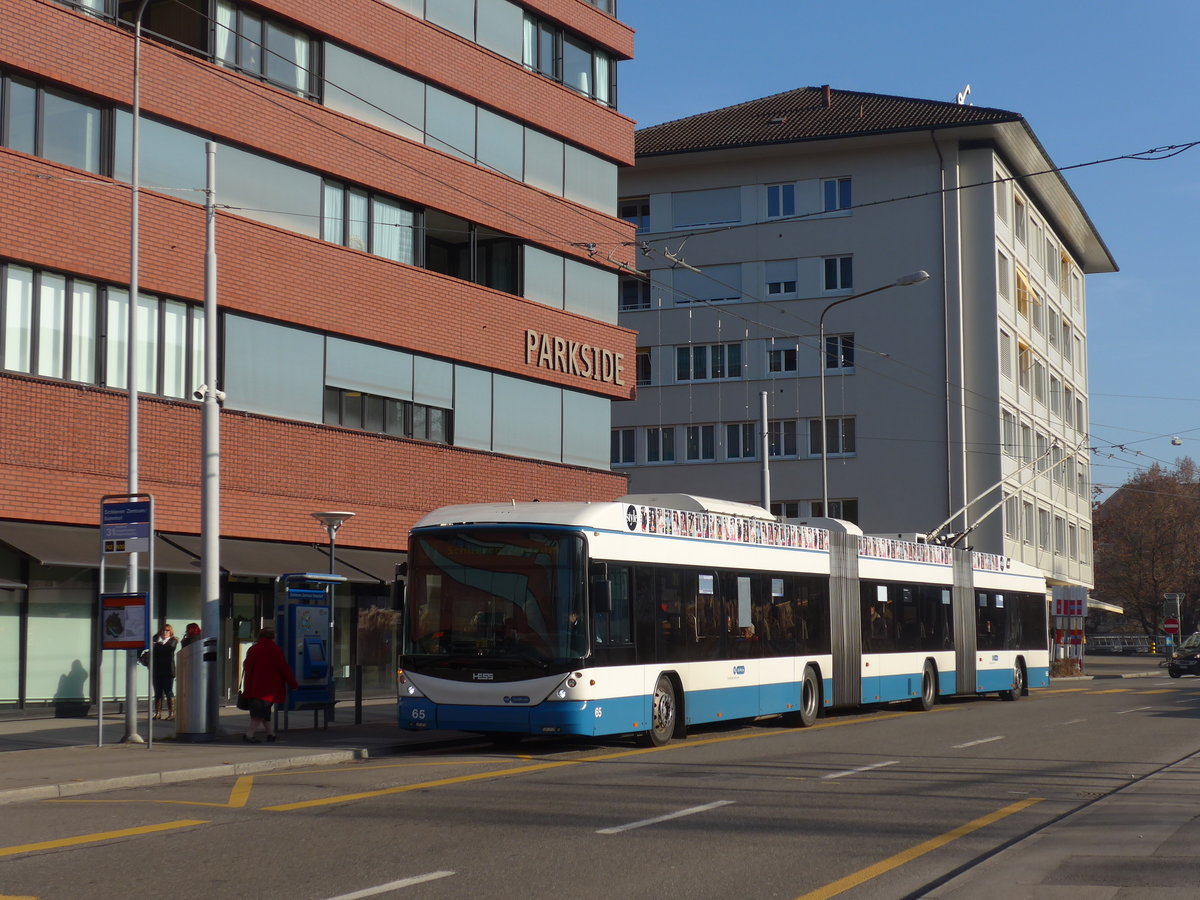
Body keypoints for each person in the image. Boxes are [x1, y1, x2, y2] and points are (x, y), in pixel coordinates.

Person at [241, 625, 298, 744]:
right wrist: (293, 683)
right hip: (268, 688)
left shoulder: (253, 649)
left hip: (253, 686)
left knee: (263, 712)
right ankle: (249, 735)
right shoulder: (274, 649)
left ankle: (271, 734)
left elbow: (246, 665)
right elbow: (284, 668)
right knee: (260, 713)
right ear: (273, 637)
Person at [151, 624, 178, 720]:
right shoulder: (155, 638)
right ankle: (157, 713)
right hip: (157, 669)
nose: (165, 633)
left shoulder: (173, 640)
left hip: (168, 670)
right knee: (157, 692)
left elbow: (168, 649)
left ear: (170, 632)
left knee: (168, 691)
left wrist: (156, 645)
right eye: (163, 631)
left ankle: (172, 713)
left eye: (167, 631)